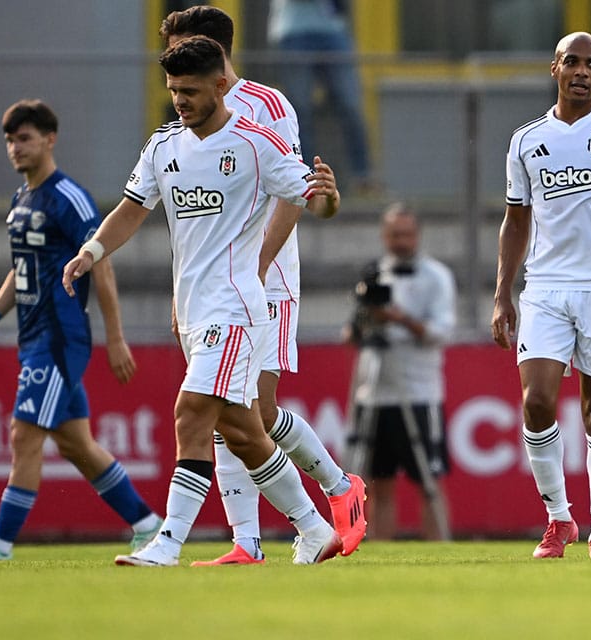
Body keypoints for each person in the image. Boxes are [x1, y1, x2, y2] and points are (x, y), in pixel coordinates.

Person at [63, 36, 344, 566]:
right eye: (173, 91)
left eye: (190, 91)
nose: (180, 101)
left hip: (236, 306)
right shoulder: (164, 146)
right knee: (240, 430)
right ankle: (314, 529)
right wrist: (92, 250)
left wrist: (328, 195)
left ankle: (168, 541)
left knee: (190, 412)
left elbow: (313, 200)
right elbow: (130, 208)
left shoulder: (256, 144)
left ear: (221, 85)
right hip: (192, 309)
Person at [158, 4, 366, 568]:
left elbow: (292, 191)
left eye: (191, 46)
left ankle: (338, 485)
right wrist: (187, 290)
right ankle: (247, 542)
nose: (182, 62)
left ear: (219, 50)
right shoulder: (180, 122)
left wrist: (255, 264)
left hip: (265, 280)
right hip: (211, 290)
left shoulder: (267, 105)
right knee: (230, 413)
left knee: (254, 410)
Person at [0, 100, 163, 562]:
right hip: (33, 336)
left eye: (24, 138)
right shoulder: (21, 200)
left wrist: (116, 337)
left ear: (50, 139)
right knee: (76, 444)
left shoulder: (69, 198)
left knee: (23, 435)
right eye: (9, 140)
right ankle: (148, 524)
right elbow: (21, 270)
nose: (14, 148)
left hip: (60, 336)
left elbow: (100, 266)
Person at [492, 32, 591, 559]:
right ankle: (559, 520)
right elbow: (516, 219)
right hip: (544, 288)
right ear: (555, 67)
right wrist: (503, 294)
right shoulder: (525, 140)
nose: (582, 71)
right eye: (572, 62)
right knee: (536, 402)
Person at [344, 204, 456, 541]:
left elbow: (442, 331)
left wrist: (399, 320)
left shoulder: (436, 276)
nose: (401, 241)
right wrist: (363, 324)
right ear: (384, 236)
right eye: (394, 234)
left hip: (419, 390)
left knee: (429, 479)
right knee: (377, 484)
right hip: (375, 390)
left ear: (417, 235)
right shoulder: (374, 275)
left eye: (406, 234)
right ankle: (381, 550)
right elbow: (353, 334)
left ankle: (441, 550)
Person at [268, 0, 372, 191]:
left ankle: (363, 178)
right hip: (293, 32)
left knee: (351, 106)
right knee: (299, 111)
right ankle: (304, 179)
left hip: (333, 30)